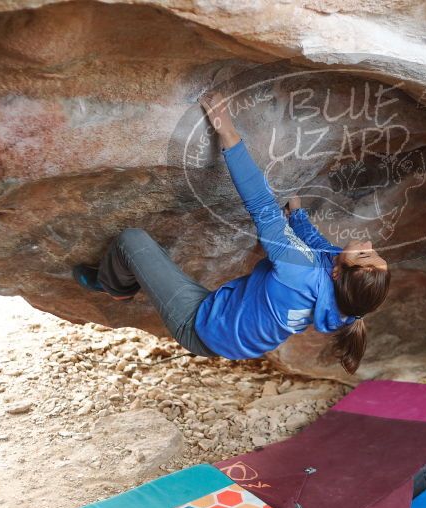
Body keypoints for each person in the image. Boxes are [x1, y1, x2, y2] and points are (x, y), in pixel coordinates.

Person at [73, 92, 390, 374]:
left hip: (197, 325)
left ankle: (115, 286)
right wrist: (298, 215)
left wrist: (228, 133)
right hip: (228, 328)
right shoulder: (345, 303)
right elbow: (322, 250)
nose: (368, 244)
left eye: (365, 254)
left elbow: (261, 205)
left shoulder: (299, 273)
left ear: (338, 274)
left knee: (132, 240)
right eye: (375, 253)